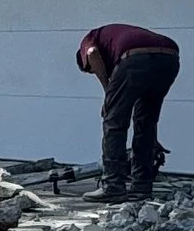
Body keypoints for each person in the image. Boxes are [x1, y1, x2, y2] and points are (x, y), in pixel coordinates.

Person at [76, 20, 180, 201]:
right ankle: (142, 187)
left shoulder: (89, 40)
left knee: (114, 121)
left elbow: (92, 54)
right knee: (146, 122)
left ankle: (113, 186)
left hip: (135, 58)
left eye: (90, 71)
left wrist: (108, 93)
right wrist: (150, 138)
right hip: (169, 58)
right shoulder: (113, 38)